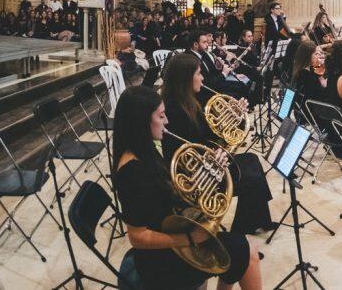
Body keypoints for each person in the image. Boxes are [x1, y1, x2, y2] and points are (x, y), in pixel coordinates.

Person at [112, 86, 263, 289]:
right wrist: (189, 238)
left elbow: (167, 191)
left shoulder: (144, 150)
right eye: (161, 116)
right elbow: (137, 237)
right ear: (141, 122)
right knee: (248, 253)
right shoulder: (132, 171)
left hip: (175, 238)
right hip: (162, 261)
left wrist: (209, 168)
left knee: (239, 251)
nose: (166, 122)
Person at [160, 54, 275, 235]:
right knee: (252, 179)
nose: (203, 78)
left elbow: (210, 133)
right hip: (198, 175)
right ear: (186, 79)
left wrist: (235, 113)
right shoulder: (174, 111)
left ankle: (259, 220)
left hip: (208, 162)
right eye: (199, 74)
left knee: (252, 160)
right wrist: (215, 153)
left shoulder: (189, 101)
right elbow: (184, 151)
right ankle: (241, 232)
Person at [186, 30, 248, 100]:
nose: (207, 44)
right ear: (195, 45)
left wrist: (218, 67)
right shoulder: (191, 59)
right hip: (204, 93)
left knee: (241, 86)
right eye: (204, 42)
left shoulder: (202, 54)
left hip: (213, 85)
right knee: (237, 91)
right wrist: (224, 73)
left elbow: (212, 72)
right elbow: (206, 84)